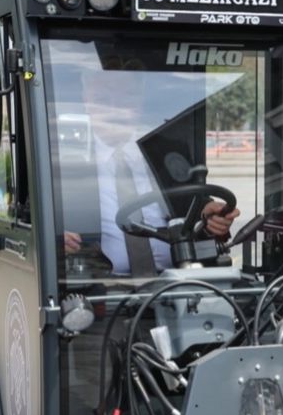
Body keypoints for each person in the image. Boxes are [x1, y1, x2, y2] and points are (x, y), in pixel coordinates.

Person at [60, 60, 238, 275]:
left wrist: (212, 217)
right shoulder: (64, 161)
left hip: (178, 282)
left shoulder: (167, 151)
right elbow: (37, 222)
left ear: (140, 101)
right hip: (97, 287)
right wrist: (56, 241)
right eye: (103, 99)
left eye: (126, 99)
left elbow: (195, 205)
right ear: (86, 100)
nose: (115, 109)